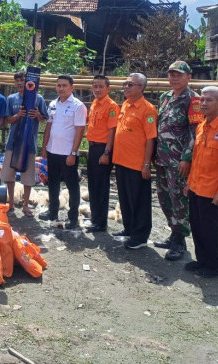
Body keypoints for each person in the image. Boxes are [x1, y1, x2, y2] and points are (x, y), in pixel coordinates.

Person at [184, 86, 218, 278]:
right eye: (202, 99)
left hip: (213, 190)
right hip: (196, 186)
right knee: (197, 225)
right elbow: (197, 158)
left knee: (211, 229)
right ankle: (202, 261)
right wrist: (189, 183)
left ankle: (215, 266)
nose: (204, 103)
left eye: (209, 100)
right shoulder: (201, 126)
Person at [154, 60, 202, 261]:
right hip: (162, 159)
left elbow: (195, 132)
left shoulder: (194, 100)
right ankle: (173, 233)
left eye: (178, 74)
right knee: (164, 198)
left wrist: (186, 158)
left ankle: (180, 241)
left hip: (178, 161)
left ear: (188, 77)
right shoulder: (165, 97)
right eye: (171, 74)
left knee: (179, 200)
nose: (174, 78)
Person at [112, 73, 158, 249]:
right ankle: (129, 228)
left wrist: (146, 164)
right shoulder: (126, 104)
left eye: (130, 84)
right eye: (125, 83)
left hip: (137, 164)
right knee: (125, 198)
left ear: (141, 87)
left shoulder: (148, 109)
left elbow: (150, 139)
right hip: (121, 160)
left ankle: (140, 236)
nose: (126, 87)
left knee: (139, 201)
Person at [40, 75, 86, 228]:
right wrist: (45, 147)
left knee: (72, 186)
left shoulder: (78, 106)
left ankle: (73, 217)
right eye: (58, 85)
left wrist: (73, 153)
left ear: (72, 88)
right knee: (52, 183)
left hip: (68, 154)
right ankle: (52, 212)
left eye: (64, 85)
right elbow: (49, 126)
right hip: (53, 151)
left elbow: (80, 131)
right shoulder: (53, 103)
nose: (61, 88)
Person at [2, 69, 48, 216]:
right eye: (17, 81)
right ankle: (10, 204)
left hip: (29, 143)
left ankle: (26, 206)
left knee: (28, 176)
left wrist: (37, 114)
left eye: (23, 80)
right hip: (12, 143)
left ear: (29, 82)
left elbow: (44, 119)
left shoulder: (38, 99)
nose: (20, 83)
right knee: (9, 175)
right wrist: (17, 116)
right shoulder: (11, 99)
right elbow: (7, 119)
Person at [84, 74, 120, 233]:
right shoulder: (94, 103)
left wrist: (106, 152)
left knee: (101, 186)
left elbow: (112, 131)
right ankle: (95, 218)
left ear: (108, 88)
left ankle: (101, 222)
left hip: (103, 149)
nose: (97, 89)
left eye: (100, 87)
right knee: (92, 184)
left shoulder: (111, 106)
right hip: (93, 148)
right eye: (95, 86)